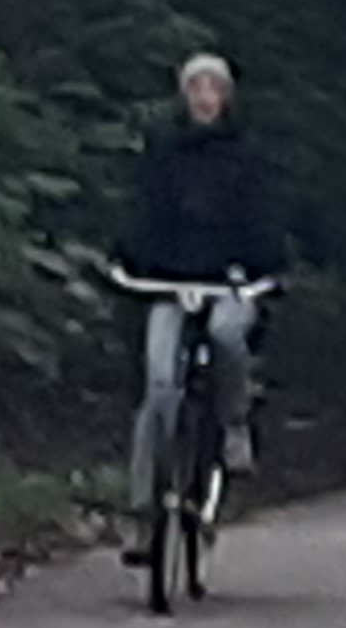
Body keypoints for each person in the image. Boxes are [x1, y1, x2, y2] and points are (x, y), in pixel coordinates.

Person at [115, 51, 284, 528]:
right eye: (196, 88)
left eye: (214, 88)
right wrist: (130, 260)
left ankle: (233, 424)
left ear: (226, 97)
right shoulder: (164, 153)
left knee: (227, 336)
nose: (205, 97)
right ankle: (143, 501)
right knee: (158, 384)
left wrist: (263, 269)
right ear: (184, 96)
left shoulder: (245, 155)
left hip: (228, 282)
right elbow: (145, 215)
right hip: (171, 281)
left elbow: (261, 220)